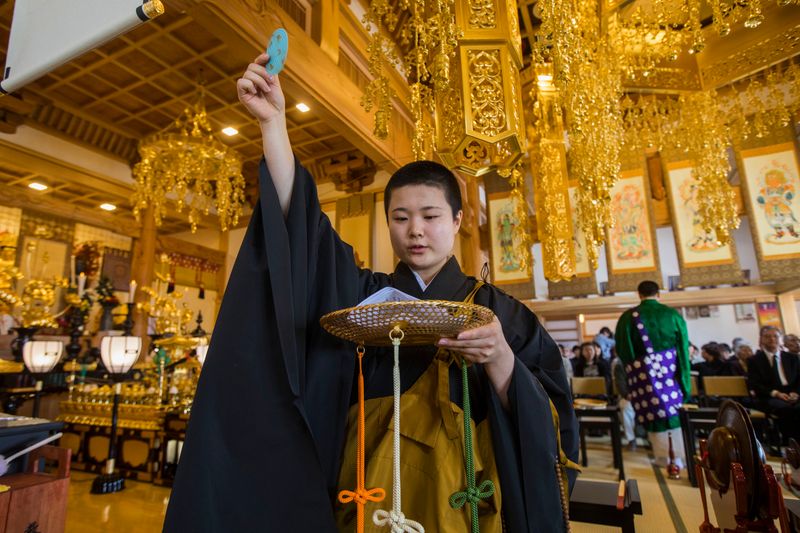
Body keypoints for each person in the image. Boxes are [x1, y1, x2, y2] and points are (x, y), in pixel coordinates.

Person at [163, 52, 579, 532]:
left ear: (457, 221)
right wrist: (274, 124)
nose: (415, 230)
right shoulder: (365, 298)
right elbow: (303, 232)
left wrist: (501, 358)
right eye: (400, 218)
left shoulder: (502, 314)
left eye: (430, 216)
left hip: (461, 500)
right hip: (364, 493)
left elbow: (551, 428)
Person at [615, 280, 690, 467]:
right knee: (672, 412)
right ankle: (678, 459)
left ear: (639, 294)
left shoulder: (628, 317)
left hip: (644, 376)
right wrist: (684, 383)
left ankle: (662, 457)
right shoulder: (672, 315)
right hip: (671, 374)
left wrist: (638, 368)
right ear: (658, 294)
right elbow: (683, 350)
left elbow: (624, 351)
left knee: (654, 413)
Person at [748, 326, 800, 441]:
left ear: (781, 339)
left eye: (775, 336)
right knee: (786, 409)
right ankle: (790, 442)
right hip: (769, 395)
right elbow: (755, 384)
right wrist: (776, 393)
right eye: (767, 336)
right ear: (761, 339)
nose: (772, 339)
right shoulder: (754, 360)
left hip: (792, 393)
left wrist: (796, 393)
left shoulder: (792, 357)